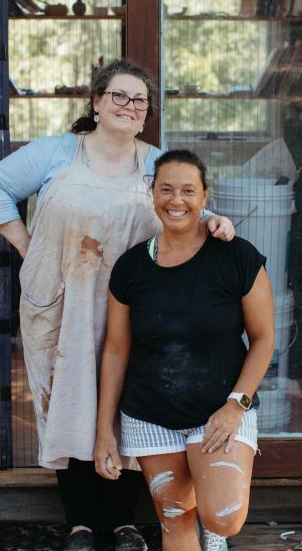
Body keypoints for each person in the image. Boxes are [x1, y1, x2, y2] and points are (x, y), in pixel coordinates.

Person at [0, 60, 236, 551]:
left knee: (129, 405)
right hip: (62, 303)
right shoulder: (57, 152)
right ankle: (79, 522)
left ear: (146, 114)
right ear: (96, 102)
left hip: (135, 306)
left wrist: (218, 223)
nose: (128, 106)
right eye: (119, 96)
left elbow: (186, 203)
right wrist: (30, 249)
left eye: (138, 101)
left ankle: (123, 521)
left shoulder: (156, 163)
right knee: (68, 403)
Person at [95, 149, 275, 551]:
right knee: (175, 520)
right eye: (166, 189)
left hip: (220, 411)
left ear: (205, 195)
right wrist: (104, 430)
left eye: (188, 191)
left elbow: (263, 339)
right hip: (150, 415)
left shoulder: (237, 256)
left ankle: (213, 533)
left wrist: (236, 405)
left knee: (223, 517)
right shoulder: (129, 268)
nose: (177, 200)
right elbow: (116, 351)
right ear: (152, 193)